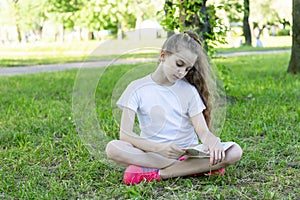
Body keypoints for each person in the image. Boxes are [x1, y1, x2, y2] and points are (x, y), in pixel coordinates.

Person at [106, 31, 243, 185]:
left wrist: (213, 141)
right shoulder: (136, 88)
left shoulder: (188, 90)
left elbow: (203, 131)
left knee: (234, 151)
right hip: (154, 154)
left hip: (187, 153)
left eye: (187, 69)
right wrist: (159, 148)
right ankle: (193, 169)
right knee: (113, 148)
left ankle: (164, 173)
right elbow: (125, 135)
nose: (182, 72)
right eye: (179, 64)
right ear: (163, 55)